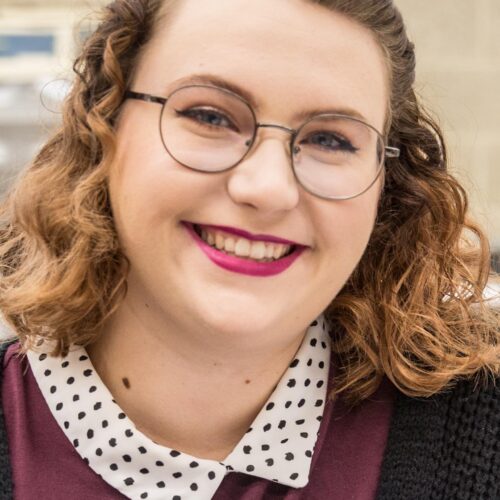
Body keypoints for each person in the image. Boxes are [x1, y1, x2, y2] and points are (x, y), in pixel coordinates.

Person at [0, 0, 498, 498]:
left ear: (386, 185)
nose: (268, 188)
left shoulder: (482, 430)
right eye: (211, 116)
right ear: (103, 127)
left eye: (331, 139)